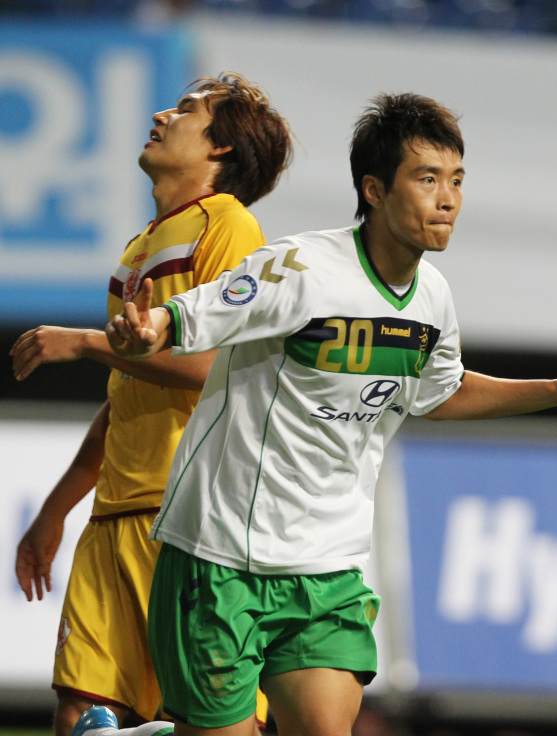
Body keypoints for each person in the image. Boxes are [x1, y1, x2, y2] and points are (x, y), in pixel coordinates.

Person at [91, 91, 557, 736]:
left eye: (456, 180)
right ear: (374, 189)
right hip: (221, 556)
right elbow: (191, 316)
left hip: (327, 569)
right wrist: (141, 334)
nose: (448, 198)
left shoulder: (432, 298)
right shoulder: (301, 268)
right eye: (426, 179)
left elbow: (442, 391)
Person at [11, 72, 293, 736]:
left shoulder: (230, 228)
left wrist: (83, 344)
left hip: (194, 519)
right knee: (78, 713)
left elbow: (212, 367)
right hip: (115, 517)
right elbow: (129, 392)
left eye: (190, 111)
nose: (166, 113)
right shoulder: (139, 248)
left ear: (221, 150)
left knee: (213, 723)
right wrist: (56, 509)